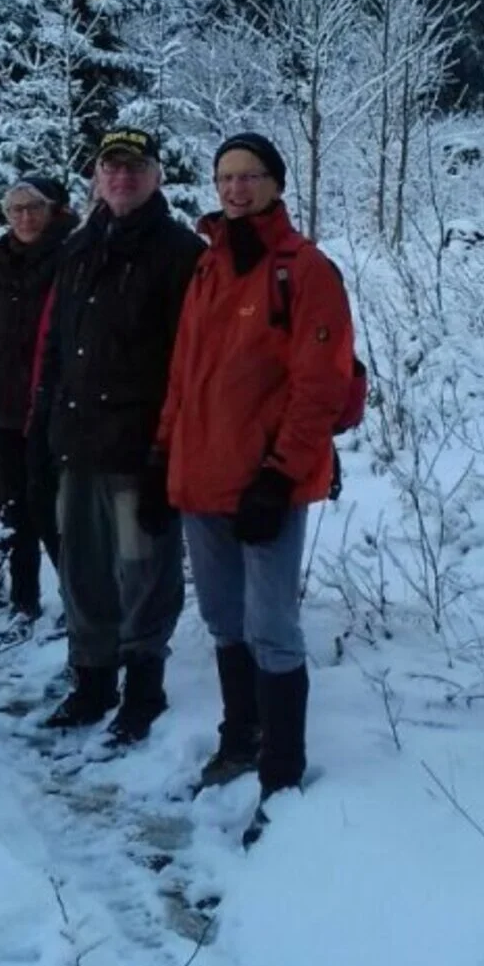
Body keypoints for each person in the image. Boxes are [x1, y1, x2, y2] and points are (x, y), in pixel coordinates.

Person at [151, 133, 355, 845]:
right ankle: (238, 738)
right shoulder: (209, 266)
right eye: (225, 175)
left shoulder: (304, 269)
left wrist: (278, 473)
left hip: (264, 481)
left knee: (272, 625)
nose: (235, 188)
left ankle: (282, 768)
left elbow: (320, 382)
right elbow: (185, 373)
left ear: (276, 183)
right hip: (200, 476)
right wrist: (164, 453)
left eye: (250, 175)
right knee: (223, 617)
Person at [31, 128, 202, 745]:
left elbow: (191, 362)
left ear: (157, 176)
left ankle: (143, 688)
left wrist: (167, 452)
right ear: (96, 178)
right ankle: (92, 679)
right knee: (83, 569)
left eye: (136, 167)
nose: (123, 177)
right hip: (77, 442)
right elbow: (56, 345)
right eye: (111, 167)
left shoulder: (181, 253)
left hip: (139, 449)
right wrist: (42, 422)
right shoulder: (77, 249)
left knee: (143, 571)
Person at [0, 175, 77, 620]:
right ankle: (24, 597)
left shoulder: (72, 253)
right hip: (4, 394)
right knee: (14, 501)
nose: (24, 216)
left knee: (50, 505)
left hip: (51, 398)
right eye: (15, 208)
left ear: (52, 209)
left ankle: (78, 603)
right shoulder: (1, 255)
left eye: (33, 207)